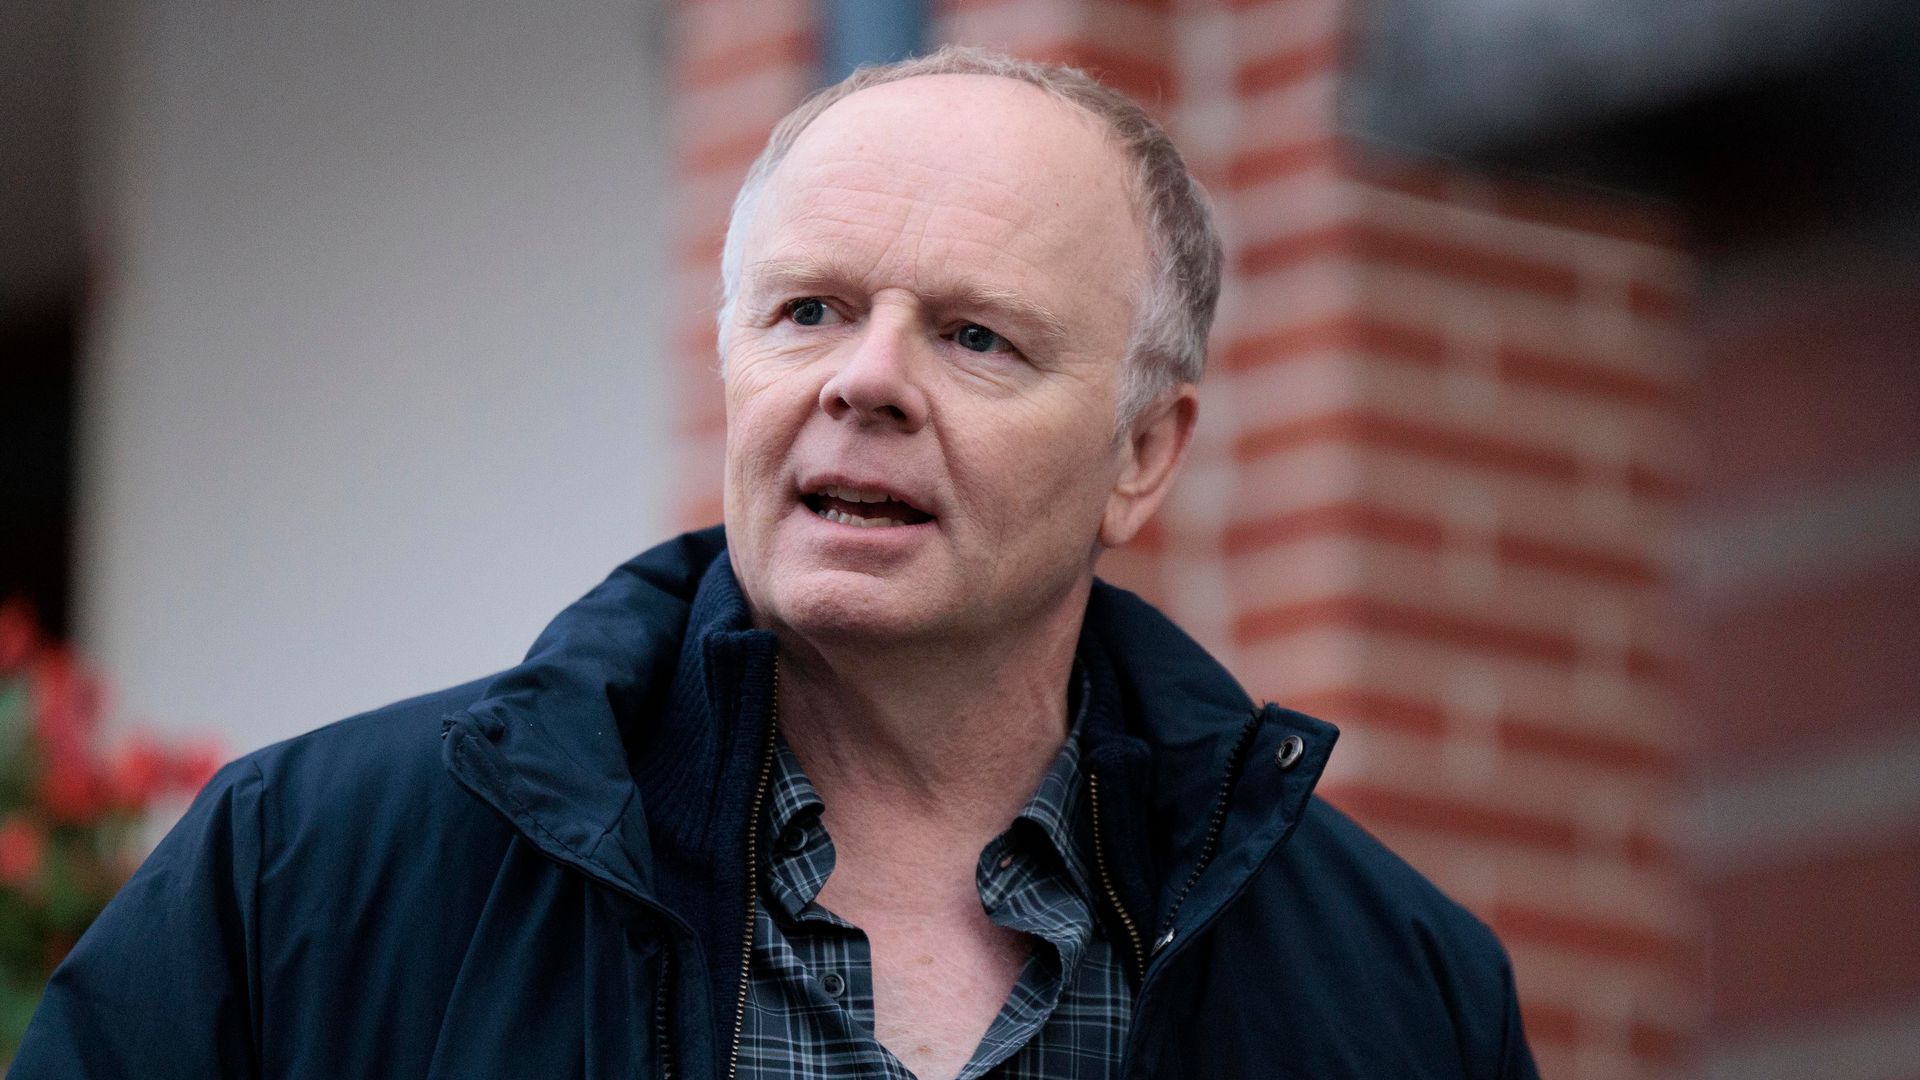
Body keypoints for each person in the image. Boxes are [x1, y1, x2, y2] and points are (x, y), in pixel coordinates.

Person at [14, 46, 1539, 1079]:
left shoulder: (1402, 993)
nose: (862, 382)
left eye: (974, 336)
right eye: (807, 312)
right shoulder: (303, 877)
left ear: (1143, 454)